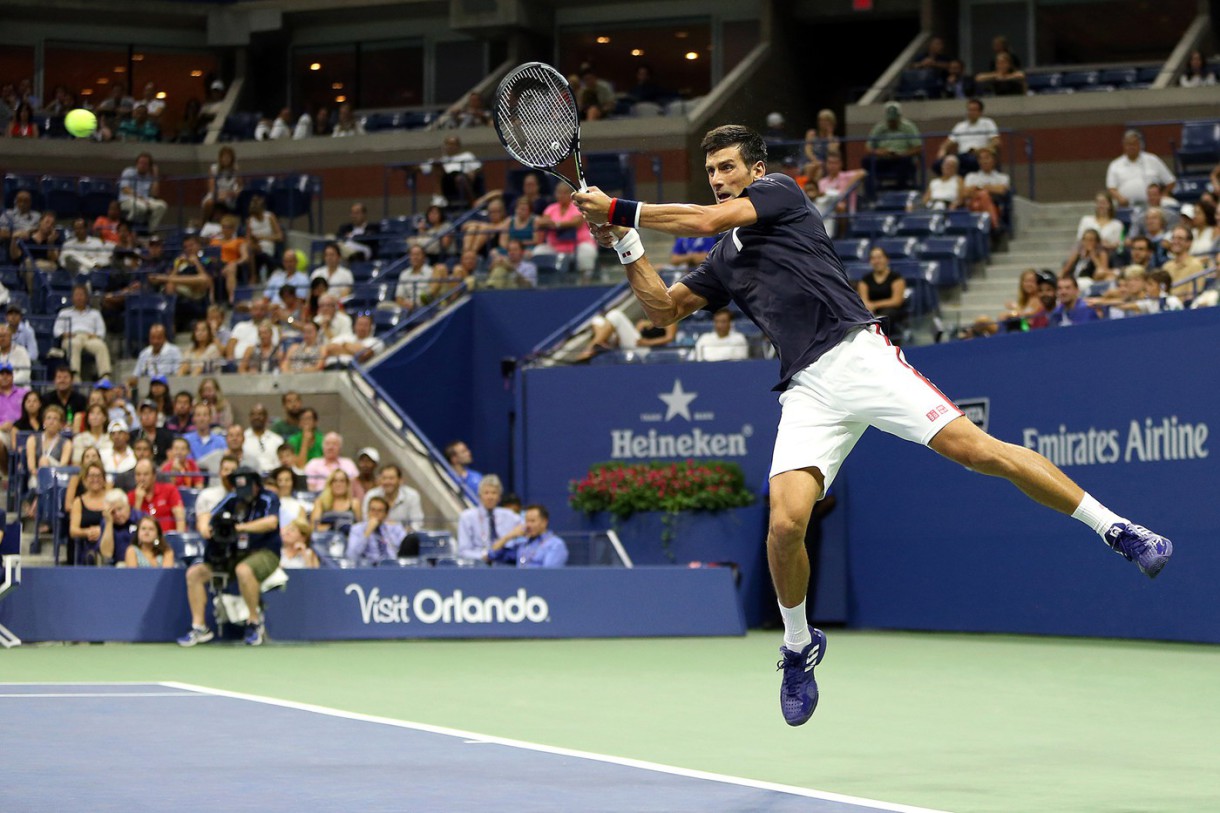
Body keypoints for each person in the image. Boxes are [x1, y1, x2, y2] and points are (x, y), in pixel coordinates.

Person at [573, 123, 1173, 727]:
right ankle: (798, 644)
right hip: (806, 390)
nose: (719, 179)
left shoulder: (782, 192)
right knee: (785, 523)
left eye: (728, 168)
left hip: (858, 357)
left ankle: (1117, 529)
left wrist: (623, 206)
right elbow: (663, 310)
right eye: (711, 171)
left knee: (977, 451)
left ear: (755, 171)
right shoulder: (724, 257)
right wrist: (629, 243)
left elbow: (703, 219)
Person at [178, 466, 281, 647]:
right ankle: (200, 627)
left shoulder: (269, 498)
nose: (243, 493)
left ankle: (254, 623)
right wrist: (205, 528)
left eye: (247, 489)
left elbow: (271, 523)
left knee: (244, 570)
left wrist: (240, 528)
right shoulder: (233, 498)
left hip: (264, 552)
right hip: (232, 554)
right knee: (195, 574)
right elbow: (207, 516)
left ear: (256, 485)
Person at [456, 474, 521, 562]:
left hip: (504, 564)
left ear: (499, 497)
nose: (490, 497)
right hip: (478, 565)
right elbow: (463, 552)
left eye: (494, 493)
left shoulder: (510, 515)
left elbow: (525, 529)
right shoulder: (467, 517)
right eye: (486, 493)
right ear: (479, 496)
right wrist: (485, 556)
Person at [863, 102, 922, 197]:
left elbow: (918, 147)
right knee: (866, 161)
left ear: (899, 117)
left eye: (894, 120)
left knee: (905, 163)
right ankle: (870, 198)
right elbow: (868, 148)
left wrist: (903, 154)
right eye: (890, 120)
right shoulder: (879, 128)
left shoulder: (908, 127)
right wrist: (880, 152)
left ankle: (900, 194)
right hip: (883, 160)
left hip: (902, 159)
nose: (892, 123)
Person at [54, 285, 111, 380]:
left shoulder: (95, 313)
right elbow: (57, 330)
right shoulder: (64, 313)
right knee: (74, 344)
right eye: (76, 295)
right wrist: (64, 334)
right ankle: (75, 376)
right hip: (72, 337)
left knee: (101, 346)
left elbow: (101, 331)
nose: (79, 297)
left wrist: (96, 335)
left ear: (87, 297)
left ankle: (105, 376)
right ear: (72, 297)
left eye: (81, 295)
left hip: (89, 338)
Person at [1106, 131, 1175, 208]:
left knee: (1171, 203)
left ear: (1140, 145)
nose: (1131, 147)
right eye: (1128, 144)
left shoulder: (1153, 160)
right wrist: (1120, 199)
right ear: (1124, 146)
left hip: (1153, 206)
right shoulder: (1115, 165)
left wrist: (1162, 196)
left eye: (1134, 144)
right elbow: (1111, 188)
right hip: (1126, 207)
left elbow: (1170, 182)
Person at [490, 504, 568, 568]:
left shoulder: (555, 544)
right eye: (526, 521)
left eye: (532, 521)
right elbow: (492, 555)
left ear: (544, 522)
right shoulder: (522, 544)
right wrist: (510, 535)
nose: (528, 525)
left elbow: (549, 575)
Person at [937, 98, 1000, 176]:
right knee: (938, 164)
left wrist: (983, 150)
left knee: (971, 161)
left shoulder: (988, 123)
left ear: (980, 112)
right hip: (961, 156)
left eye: (974, 110)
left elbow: (996, 141)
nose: (971, 112)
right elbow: (948, 142)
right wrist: (942, 149)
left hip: (978, 155)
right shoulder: (960, 126)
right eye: (969, 110)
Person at [421, 135, 483, 208]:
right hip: (446, 183)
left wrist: (473, 172)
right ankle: (438, 199)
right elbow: (419, 168)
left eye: (453, 144)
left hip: (463, 180)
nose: (450, 146)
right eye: (448, 144)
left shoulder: (467, 155)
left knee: (460, 178)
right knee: (436, 164)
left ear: (458, 146)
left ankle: (474, 203)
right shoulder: (441, 159)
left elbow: (479, 167)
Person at [128, 458, 186, 534]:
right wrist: (138, 501)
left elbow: (179, 515)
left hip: (167, 539)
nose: (141, 479)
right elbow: (133, 527)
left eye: (146, 474)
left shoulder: (169, 490)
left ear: (154, 476)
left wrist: (179, 538)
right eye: (138, 475)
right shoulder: (130, 496)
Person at [345, 496, 407, 565]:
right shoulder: (357, 529)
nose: (375, 513)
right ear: (368, 512)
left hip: (393, 567)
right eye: (372, 510)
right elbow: (351, 556)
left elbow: (406, 550)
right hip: (368, 569)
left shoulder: (395, 528)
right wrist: (367, 533)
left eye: (380, 510)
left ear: (386, 514)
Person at [361, 463, 424, 531]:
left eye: (391, 478)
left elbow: (417, 523)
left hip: (404, 536)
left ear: (400, 480)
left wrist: (399, 531)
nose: (387, 482)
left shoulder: (412, 496)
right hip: (376, 535)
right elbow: (365, 520)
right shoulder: (371, 495)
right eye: (384, 478)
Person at [69, 462, 109, 565]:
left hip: (108, 542)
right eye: (91, 476)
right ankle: (92, 558)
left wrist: (102, 530)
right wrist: (87, 532)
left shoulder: (111, 498)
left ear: (104, 479)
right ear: (85, 479)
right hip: (85, 543)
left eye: (98, 476)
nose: (95, 479)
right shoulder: (78, 501)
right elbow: (73, 530)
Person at [118, 152, 167, 231]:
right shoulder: (128, 171)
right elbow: (125, 189)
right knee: (141, 207)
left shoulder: (149, 176)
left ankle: (150, 231)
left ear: (149, 166)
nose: (142, 165)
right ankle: (127, 224)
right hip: (127, 200)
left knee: (162, 206)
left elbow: (155, 194)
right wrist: (140, 198)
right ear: (136, 163)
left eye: (145, 164)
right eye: (140, 163)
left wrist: (155, 176)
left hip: (145, 200)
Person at [98, 490, 146, 564]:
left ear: (127, 505)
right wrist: (109, 523)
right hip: (116, 567)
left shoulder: (141, 518)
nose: (117, 514)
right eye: (112, 512)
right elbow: (106, 554)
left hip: (141, 565)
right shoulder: (107, 521)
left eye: (120, 509)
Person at [1161, 225, 1206, 300]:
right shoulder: (1166, 266)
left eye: (1180, 238)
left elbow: (1193, 295)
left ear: (1189, 243)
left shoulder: (1196, 265)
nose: (1175, 242)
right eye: (1173, 238)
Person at [202, 145, 241, 223]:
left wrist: (233, 193)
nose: (226, 159)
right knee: (209, 203)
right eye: (224, 157)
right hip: (216, 193)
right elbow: (211, 187)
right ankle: (205, 223)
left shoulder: (235, 169)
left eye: (228, 157)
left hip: (229, 195)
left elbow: (239, 186)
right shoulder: (214, 168)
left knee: (225, 202)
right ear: (220, 158)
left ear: (232, 159)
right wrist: (218, 195)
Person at [243, 404, 283, 473]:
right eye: (253, 414)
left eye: (260, 414)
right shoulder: (243, 438)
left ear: (266, 418)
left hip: (273, 476)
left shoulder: (277, 439)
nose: (256, 417)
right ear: (249, 418)